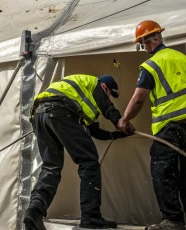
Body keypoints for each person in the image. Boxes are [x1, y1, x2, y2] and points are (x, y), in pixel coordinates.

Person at [117, 21, 186, 230]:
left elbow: (139, 98)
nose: (144, 47)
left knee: (162, 168)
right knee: (185, 168)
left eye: (143, 43)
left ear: (153, 40)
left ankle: (173, 220)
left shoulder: (151, 65)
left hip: (171, 123)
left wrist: (125, 119)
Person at [24, 74, 129, 230]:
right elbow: (108, 108)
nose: (109, 98)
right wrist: (120, 122)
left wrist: (117, 135)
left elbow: (96, 132)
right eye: (110, 94)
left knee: (51, 168)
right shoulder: (95, 84)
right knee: (89, 163)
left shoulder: (81, 98)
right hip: (60, 110)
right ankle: (91, 217)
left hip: (40, 114)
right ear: (105, 87)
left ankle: (34, 212)